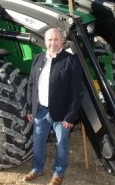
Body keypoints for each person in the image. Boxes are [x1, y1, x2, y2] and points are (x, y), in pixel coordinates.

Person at [25, 28, 82, 185]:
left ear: (62, 41)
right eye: (50, 40)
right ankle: (37, 169)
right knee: (37, 142)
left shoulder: (72, 61)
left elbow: (76, 92)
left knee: (61, 144)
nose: (53, 43)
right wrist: (30, 108)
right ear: (45, 41)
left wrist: (71, 116)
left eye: (56, 39)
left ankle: (58, 173)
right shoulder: (38, 59)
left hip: (62, 114)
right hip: (40, 111)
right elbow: (31, 85)